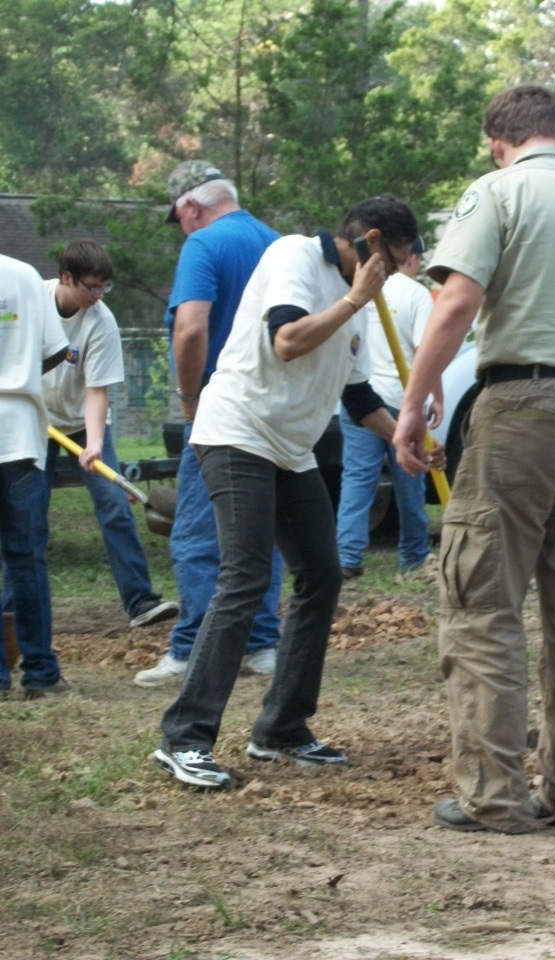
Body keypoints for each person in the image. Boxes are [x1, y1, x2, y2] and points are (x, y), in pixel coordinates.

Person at [393, 84, 555, 833]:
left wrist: (413, 405)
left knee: (483, 606)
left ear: (498, 142)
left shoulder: (496, 193)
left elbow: (456, 301)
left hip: (520, 408)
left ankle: (494, 797)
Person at [152, 196, 425, 789]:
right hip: (236, 434)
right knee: (246, 577)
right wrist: (356, 298)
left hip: (289, 450)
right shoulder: (295, 256)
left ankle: (280, 727)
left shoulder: (360, 307)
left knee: (322, 573)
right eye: (399, 259)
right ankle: (184, 738)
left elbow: (358, 399)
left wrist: (405, 439)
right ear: (372, 241)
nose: (399, 273)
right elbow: (287, 341)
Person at [135, 161, 284, 687]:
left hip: (221, 412)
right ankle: (263, 645)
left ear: (190, 207)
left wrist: (190, 400)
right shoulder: (278, 244)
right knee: (260, 531)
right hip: (273, 412)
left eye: (178, 219)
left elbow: (192, 329)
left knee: (197, 531)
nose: (181, 229)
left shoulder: (202, 245)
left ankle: (190, 648)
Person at [3, 241, 178, 629]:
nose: (98, 296)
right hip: (32, 421)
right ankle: (10, 614)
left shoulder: (102, 322)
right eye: (92, 287)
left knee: (114, 505)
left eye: (105, 287)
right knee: (27, 520)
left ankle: (140, 601)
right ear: (67, 277)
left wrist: (95, 444)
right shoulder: (33, 299)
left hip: (83, 422)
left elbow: (97, 391)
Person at [335, 235, 434, 580]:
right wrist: (434, 397)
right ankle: (414, 556)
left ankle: (346, 556)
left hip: (359, 397)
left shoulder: (358, 287)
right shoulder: (417, 295)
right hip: (401, 401)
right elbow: (427, 351)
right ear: (413, 258)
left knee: (358, 478)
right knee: (411, 481)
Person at [0, 254, 70, 700]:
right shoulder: (24, 275)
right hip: (19, 434)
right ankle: (41, 673)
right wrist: (19, 373)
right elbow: (57, 350)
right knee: (26, 559)